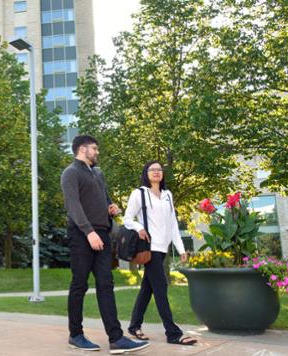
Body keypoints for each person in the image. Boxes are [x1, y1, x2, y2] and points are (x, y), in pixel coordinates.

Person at [60, 135, 149, 353]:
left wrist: (111, 207)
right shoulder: (70, 173)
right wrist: (88, 232)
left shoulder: (98, 173)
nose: (97, 152)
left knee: (106, 284)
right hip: (81, 235)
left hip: (102, 234)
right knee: (79, 284)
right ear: (82, 149)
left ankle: (116, 338)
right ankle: (76, 334)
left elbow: (105, 198)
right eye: (94, 149)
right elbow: (74, 206)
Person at [123, 161, 198, 346]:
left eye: (159, 170)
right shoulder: (139, 193)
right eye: (152, 169)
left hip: (162, 248)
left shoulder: (167, 195)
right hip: (149, 248)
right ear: (146, 173)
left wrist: (180, 248)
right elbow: (127, 219)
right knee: (161, 288)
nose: (156, 172)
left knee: (147, 289)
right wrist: (139, 227)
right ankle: (173, 333)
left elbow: (173, 224)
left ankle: (134, 326)